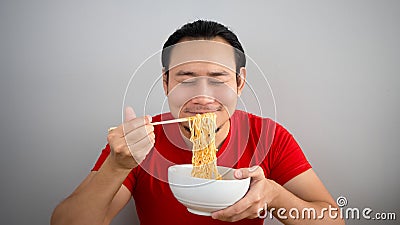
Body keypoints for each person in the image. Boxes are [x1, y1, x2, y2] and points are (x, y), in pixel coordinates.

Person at [51, 20, 344, 225]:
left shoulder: (267, 136)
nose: (203, 97)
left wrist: (274, 195)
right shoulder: (139, 142)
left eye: (218, 79)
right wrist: (117, 166)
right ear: (165, 83)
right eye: (186, 79)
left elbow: (333, 220)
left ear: (240, 83)